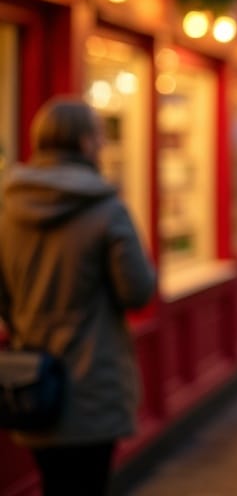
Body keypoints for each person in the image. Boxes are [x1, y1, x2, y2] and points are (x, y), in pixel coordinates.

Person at [0, 96, 156, 496]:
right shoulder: (106, 208)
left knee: (54, 483)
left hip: (30, 380)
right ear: (85, 143)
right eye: (99, 136)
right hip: (94, 379)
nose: (103, 144)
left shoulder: (8, 207)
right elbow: (138, 291)